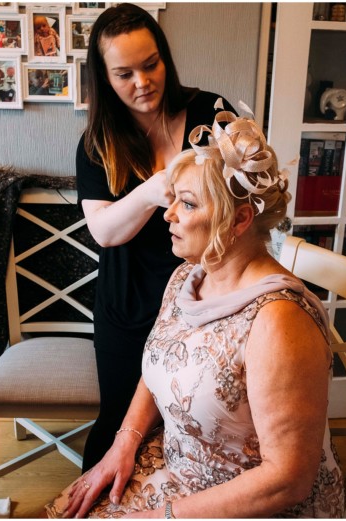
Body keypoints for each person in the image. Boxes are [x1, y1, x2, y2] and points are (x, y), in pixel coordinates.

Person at [47, 109, 345, 518]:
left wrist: (164, 516)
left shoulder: (279, 323)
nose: (168, 215)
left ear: (240, 218)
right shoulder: (189, 275)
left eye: (186, 204)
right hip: (178, 466)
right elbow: (161, 366)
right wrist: (124, 443)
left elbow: (288, 479)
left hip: (246, 504)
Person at [76, 2, 235, 472]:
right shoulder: (96, 143)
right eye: (124, 74)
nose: (143, 83)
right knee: (119, 424)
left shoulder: (210, 111)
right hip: (127, 305)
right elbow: (104, 231)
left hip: (207, 299)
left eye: (151, 65)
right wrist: (152, 189)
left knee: (197, 423)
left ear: (165, 58)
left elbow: (244, 197)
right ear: (104, 78)